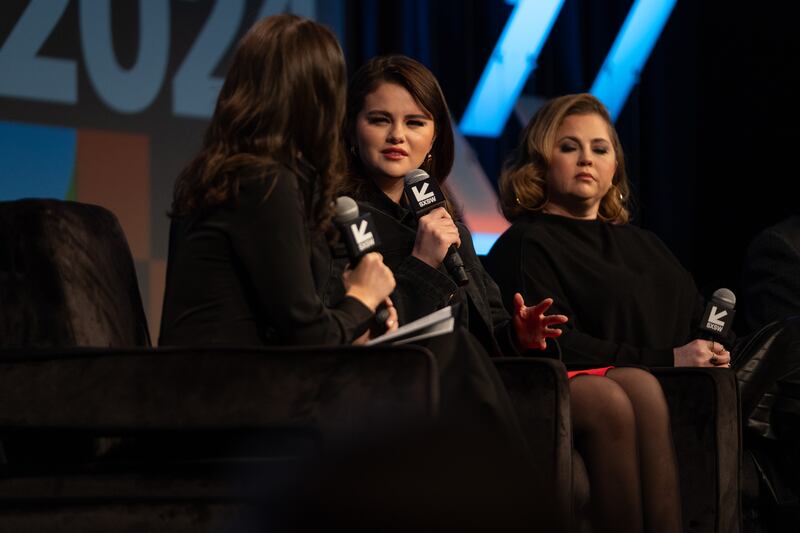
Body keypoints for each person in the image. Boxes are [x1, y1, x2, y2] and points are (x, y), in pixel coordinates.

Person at [338, 58, 681, 533]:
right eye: (380, 120)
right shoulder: (345, 219)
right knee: (605, 400)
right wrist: (420, 264)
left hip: (488, 373)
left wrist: (520, 333)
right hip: (421, 388)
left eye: (415, 122)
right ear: (352, 129)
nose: (398, 135)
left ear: (435, 136)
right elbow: (364, 331)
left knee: (638, 387)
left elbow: (492, 317)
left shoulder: (444, 217)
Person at [159, 15, 396, 347]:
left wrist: (351, 319)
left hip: (207, 378)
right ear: (321, 100)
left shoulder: (225, 171)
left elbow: (290, 320)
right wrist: (362, 298)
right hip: (230, 389)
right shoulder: (265, 181)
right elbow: (308, 336)